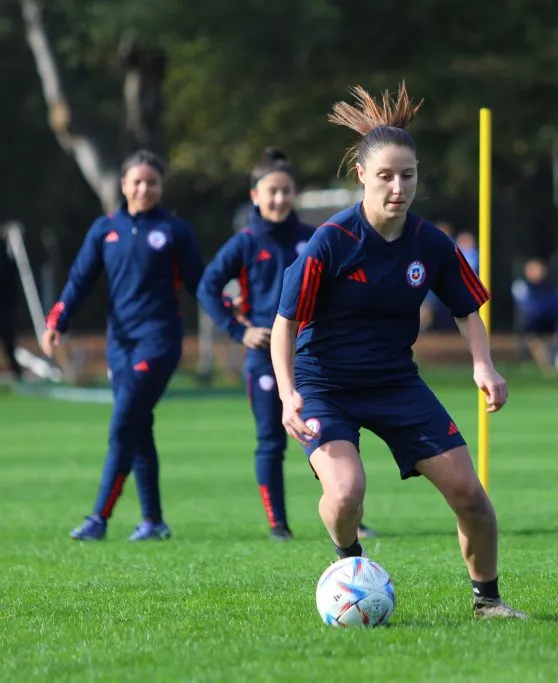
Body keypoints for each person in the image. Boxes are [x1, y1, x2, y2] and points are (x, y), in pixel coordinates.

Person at [269, 83, 526, 620]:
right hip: (325, 386)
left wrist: (483, 364)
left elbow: (465, 308)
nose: (397, 187)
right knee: (346, 493)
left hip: (394, 384)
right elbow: (284, 323)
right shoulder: (332, 241)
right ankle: (350, 565)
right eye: (385, 175)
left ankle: (489, 602)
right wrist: (290, 396)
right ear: (361, 175)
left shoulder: (430, 243)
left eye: (407, 175)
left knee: (471, 497)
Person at [199, 148, 377, 542]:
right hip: (264, 361)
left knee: (331, 435)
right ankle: (278, 524)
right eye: (271, 191)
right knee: (270, 441)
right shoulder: (245, 242)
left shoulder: (313, 238)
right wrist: (239, 329)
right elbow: (207, 287)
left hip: (313, 359)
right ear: (255, 196)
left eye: (286, 191)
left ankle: (351, 516)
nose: (279, 199)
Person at [42, 150, 205, 541]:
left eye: (152, 182)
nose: (144, 188)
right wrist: (57, 321)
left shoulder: (174, 230)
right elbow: (80, 280)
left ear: (161, 187)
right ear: (123, 185)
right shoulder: (105, 229)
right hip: (121, 346)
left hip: (160, 342)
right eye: (137, 181)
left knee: (122, 424)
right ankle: (153, 521)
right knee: (138, 427)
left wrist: (237, 321)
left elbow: (203, 283)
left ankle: (99, 517)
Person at [511, 258, 558, 374]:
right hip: (533, 321)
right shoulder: (521, 286)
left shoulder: (551, 286)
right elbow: (530, 307)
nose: (533, 272)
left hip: (551, 320)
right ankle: (547, 369)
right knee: (534, 335)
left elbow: (556, 305)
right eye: (530, 269)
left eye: (536, 269)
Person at [0, 233, 24, 382]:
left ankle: (16, 372)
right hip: (7, 309)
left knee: (9, 343)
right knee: (9, 343)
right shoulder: (8, 261)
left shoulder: (7, 262)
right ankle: (16, 373)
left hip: (5, 308)